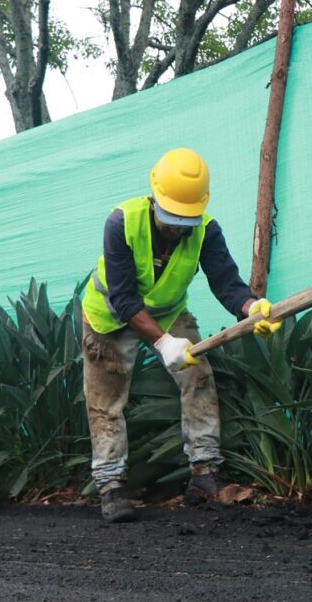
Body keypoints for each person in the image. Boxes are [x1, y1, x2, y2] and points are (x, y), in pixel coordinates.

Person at [80, 148, 281, 523]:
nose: (177, 227)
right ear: (154, 197)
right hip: (108, 315)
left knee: (198, 376)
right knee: (105, 401)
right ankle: (110, 488)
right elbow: (124, 299)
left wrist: (250, 308)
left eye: (185, 219)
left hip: (167, 312)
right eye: (171, 217)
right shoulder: (122, 222)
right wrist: (162, 342)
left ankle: (204, 474)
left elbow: (227, 284)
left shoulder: (205, 230)